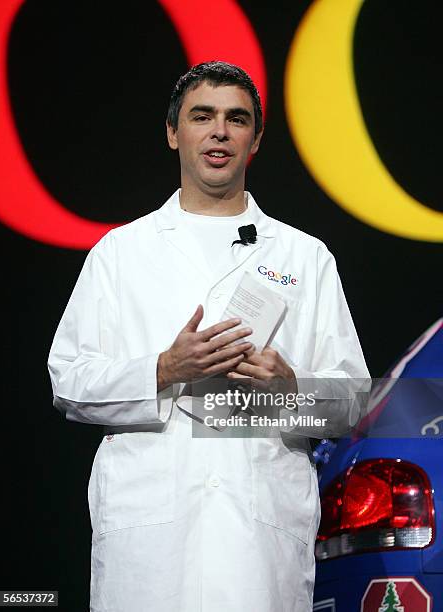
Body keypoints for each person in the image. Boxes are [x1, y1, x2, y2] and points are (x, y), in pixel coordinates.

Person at [48, 61, 370, 612]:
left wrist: (290, 388)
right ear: (174, 132)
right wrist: (164, 369)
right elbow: (69, 383)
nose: (220, 130)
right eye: (203, 115)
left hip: (257, 546)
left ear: (255, 139)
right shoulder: (120, 253)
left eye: (236, 119)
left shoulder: (305, 257)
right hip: (151, 548)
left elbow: (352, 403)